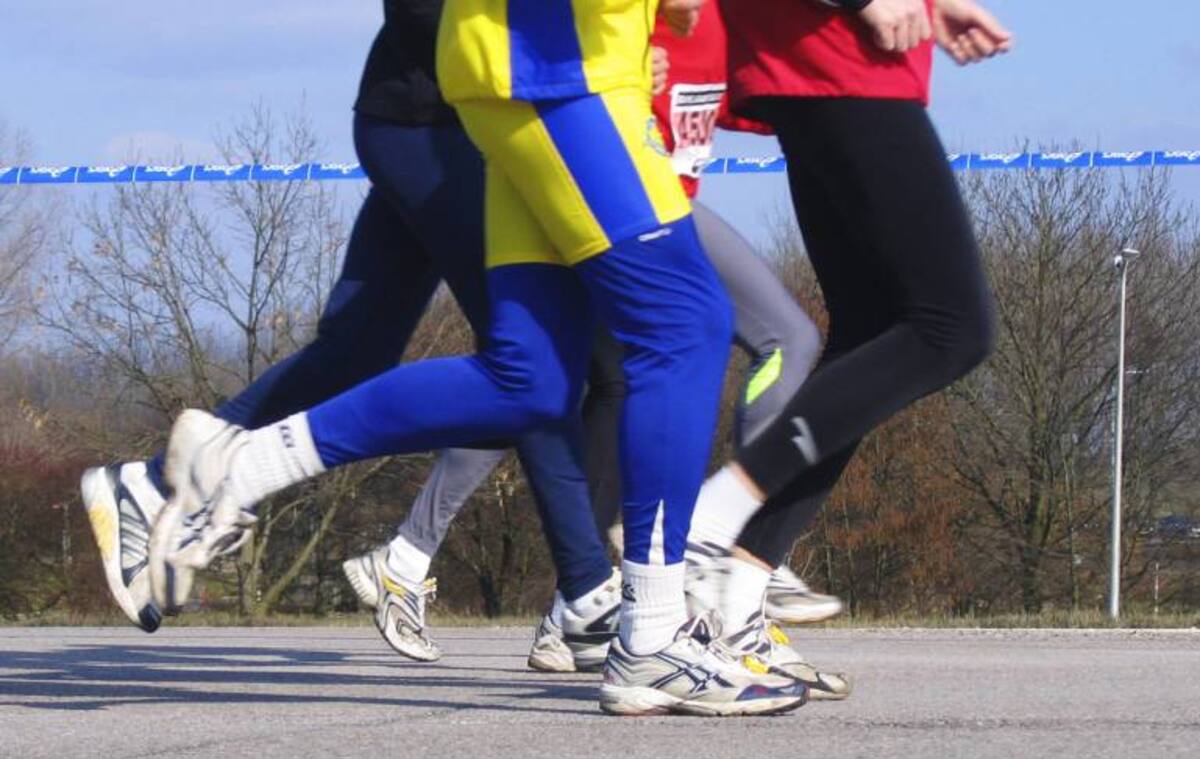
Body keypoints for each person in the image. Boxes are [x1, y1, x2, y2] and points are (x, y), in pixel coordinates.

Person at [147, 0, 807, 716]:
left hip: (537, 70)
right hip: (552, 68)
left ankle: (231, 468)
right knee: (685, 324)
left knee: (529, 379)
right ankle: (650, 633)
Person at [81, 0, 621, 660]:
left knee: (360, 348)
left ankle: (153, 483)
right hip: (436, 126)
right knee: (534, 366)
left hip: (446, 123)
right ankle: (589, 592)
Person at [357, 2, 840, 678]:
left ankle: (513, 588)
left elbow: (758, 102)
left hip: (637, 218)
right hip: (625, 213)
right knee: (779, 337)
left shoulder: (720, 28)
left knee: (555, 380)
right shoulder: (640, 21)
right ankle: (732, 543)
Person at [685, 0, 1012, 658]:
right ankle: (714, 513)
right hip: (837, 57)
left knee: (870, 333)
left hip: (827, 61)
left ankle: (738, 599)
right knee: (950, 329)